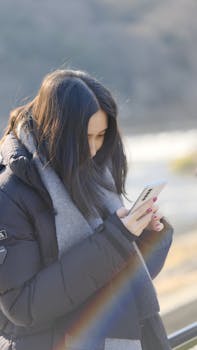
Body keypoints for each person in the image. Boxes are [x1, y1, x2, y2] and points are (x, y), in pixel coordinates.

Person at [0, 69, 173, 350]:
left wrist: (144, 235)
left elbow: (118, 282)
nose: (93, 149)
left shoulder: (93, 177)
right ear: (56, 129)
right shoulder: (10, 194)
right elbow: (23, 307)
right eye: (84, 137)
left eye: (101, 135)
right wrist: (116, 238)